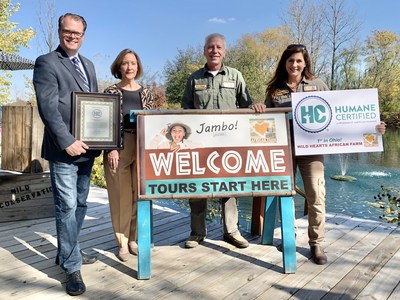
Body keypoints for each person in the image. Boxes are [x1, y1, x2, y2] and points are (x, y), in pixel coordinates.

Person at [265, 44, 386, 265]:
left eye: (299, 61)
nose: (294, 64)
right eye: (290, 60)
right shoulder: (274, 89)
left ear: (305, 63)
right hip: (284, 149)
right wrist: (259, 110)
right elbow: (265, 122)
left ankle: (316, 243)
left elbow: (338, 115)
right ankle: (289, 237)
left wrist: (372, 126)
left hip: (312, 150)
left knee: (316, 196)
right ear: (285, 62)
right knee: (285, 195)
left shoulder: (318, 85)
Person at [33, 13, 99, 296]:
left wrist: (101, 140)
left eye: (78, 33)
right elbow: (48, 108)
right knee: (67, 207)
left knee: (81, 205)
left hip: (89, 149)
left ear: (84, 35)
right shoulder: (47, 62)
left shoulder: (89, 65)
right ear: (61, 32)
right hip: (64, 150)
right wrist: (67, 141)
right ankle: (71, 267)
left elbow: (96, 106)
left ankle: (67, 252)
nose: (72, 36)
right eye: (67, 31)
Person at [181, 33, 266, 249]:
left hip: (229, 143)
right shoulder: (194, 79)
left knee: (229, 187)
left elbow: (247, 105)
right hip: (201, 144)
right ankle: (197, 233)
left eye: (219, 47)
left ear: (225, 51)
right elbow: (185, 111)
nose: (214, 50)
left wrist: (255, 107)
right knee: (198, 187)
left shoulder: (236, 76)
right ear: (204, 51)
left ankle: (232, 231)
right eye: (210, 47)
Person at [103, 49, 155, 262]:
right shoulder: (111, 91)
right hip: (119, 146)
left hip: (141, 147)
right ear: (119, 67)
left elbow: (151, 122)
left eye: (133, 63)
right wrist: (111, 148)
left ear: (138, 66)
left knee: (137, 194)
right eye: (125, 63)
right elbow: (105, 123)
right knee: (120, 196)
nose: (129, 67)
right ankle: (122, 242)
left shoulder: (146, 92)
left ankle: (134, 238)